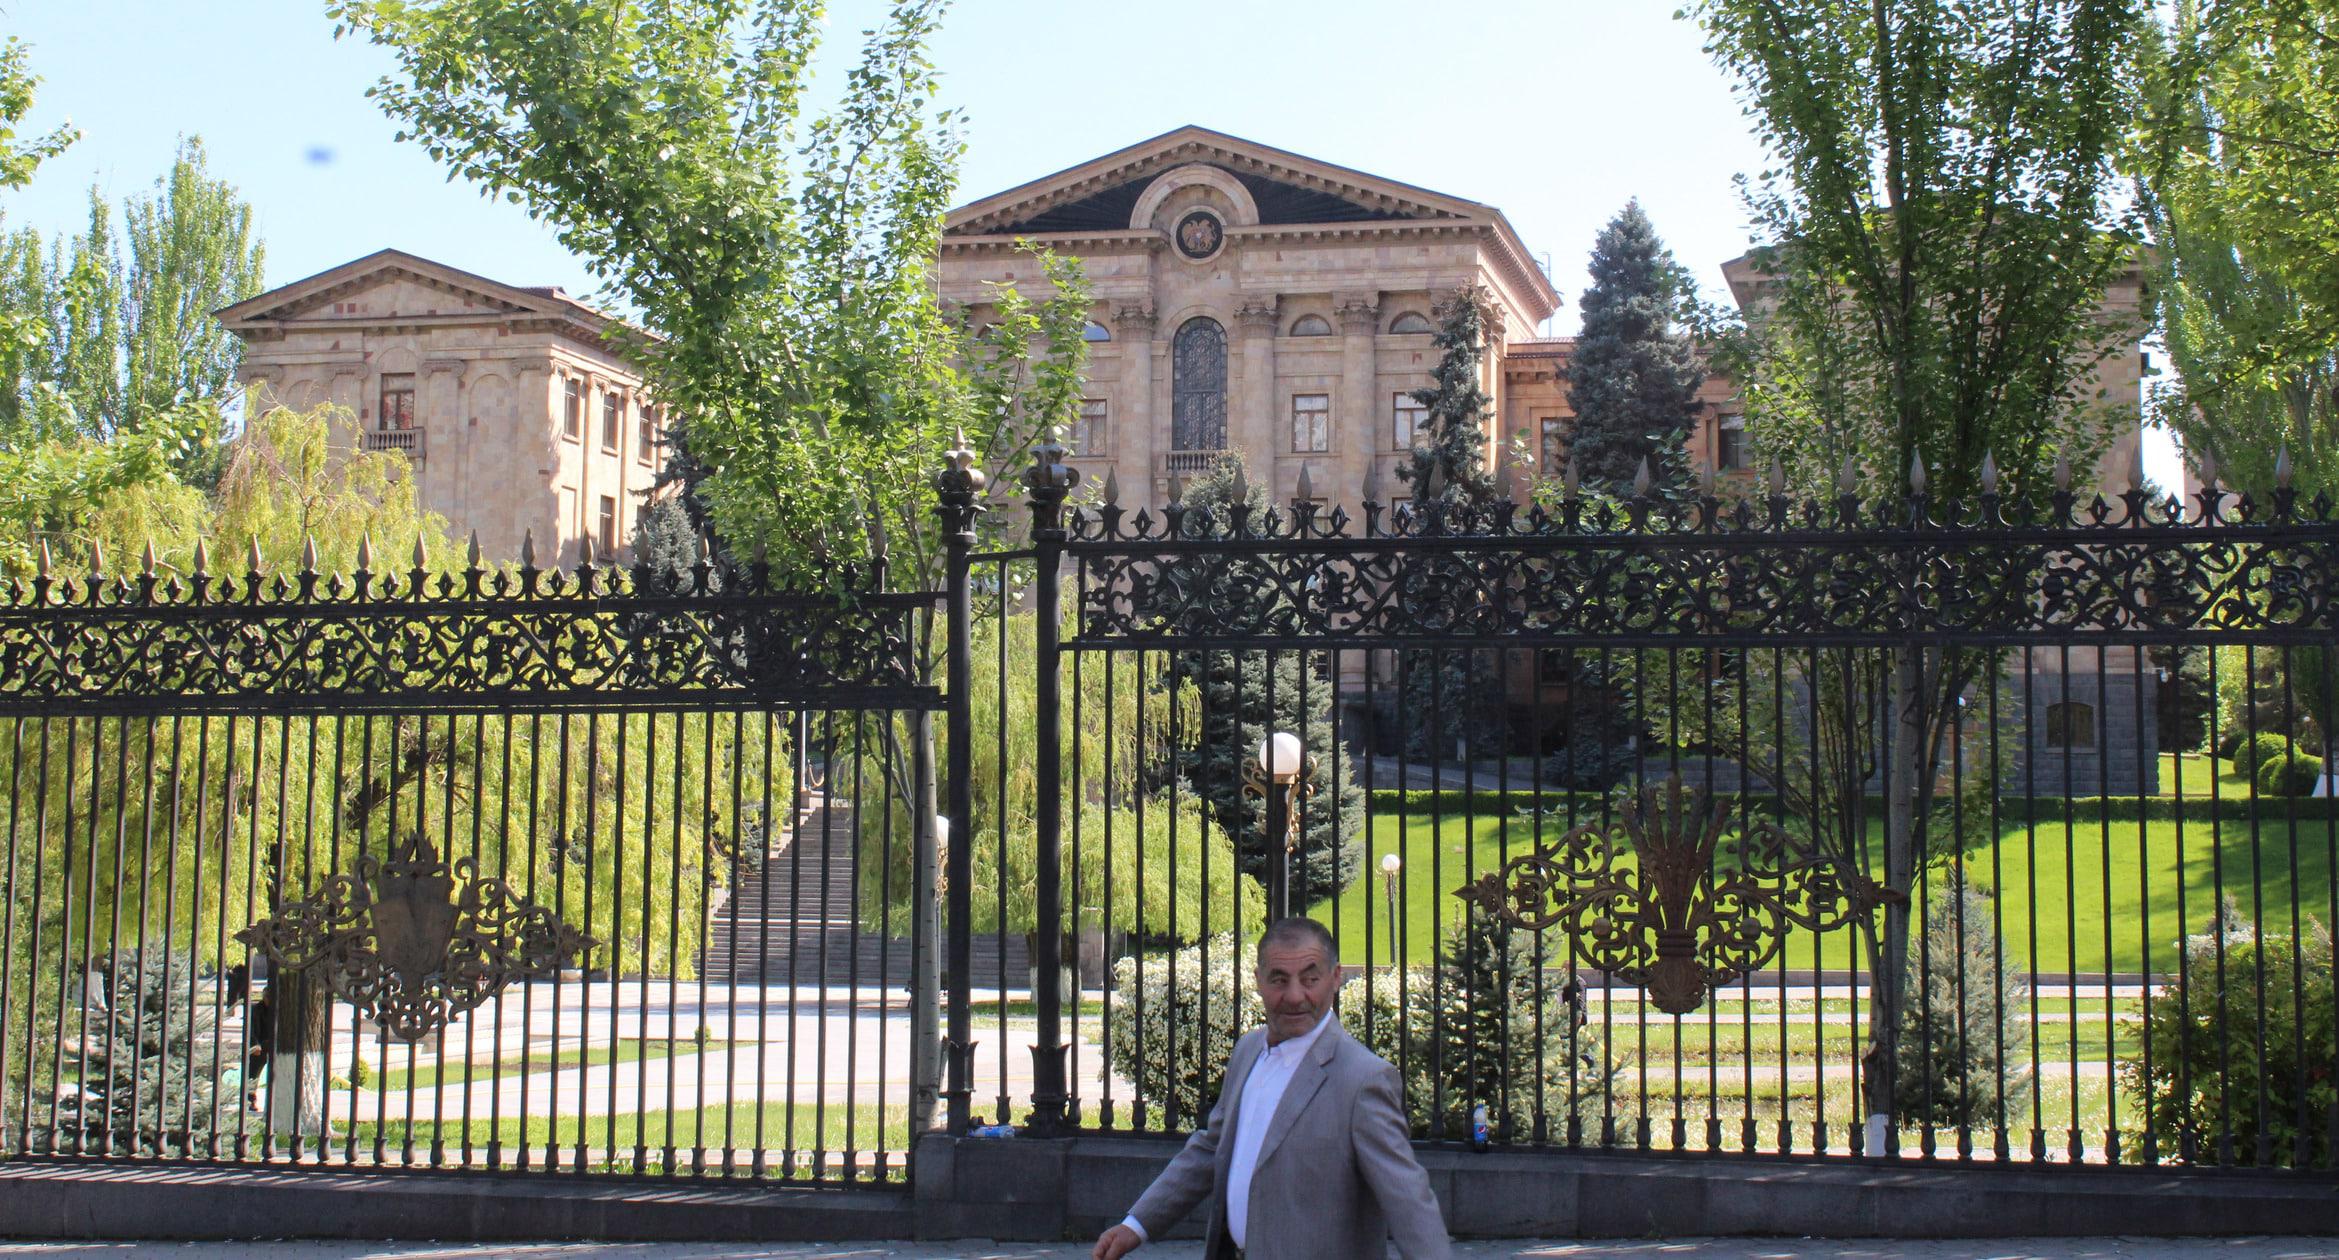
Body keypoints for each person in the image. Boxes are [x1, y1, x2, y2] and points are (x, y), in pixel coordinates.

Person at [1092, 917, 1450, 1260]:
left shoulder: (1363, 1079)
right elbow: (1213, 1148)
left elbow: (1408, 1201)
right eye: (1279, 980)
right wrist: (1136, 1225)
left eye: (1310, 979)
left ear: (1336, 978)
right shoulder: (1248, 1051)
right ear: (1258, 980)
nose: (1294, 996)